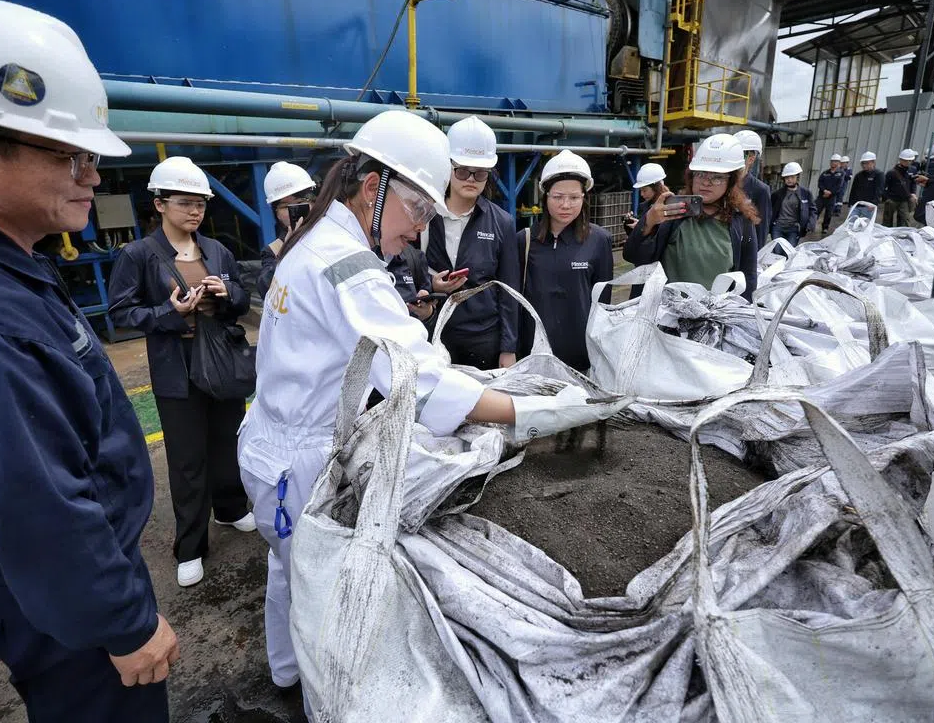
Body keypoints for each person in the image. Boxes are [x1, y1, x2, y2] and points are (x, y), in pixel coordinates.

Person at [237, 109, 613, 694]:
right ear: (372, 188)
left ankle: (286, 674)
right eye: (416, 211)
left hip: (272, 441)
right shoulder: (350, 265)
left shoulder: (312, 239)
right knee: (321, 581)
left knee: (288, 569)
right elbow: (420, 378)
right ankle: (322, 690)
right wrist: (529, 413)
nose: (418, 231)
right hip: (301, 458)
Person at [0, 0, 176, 721]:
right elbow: (40, 510)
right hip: (70, 618)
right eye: (69, 153)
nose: (92, 176)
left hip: (34, 592)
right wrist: (127, 627)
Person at [108, 157, 256, 588]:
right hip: (179, 367)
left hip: (222, 362)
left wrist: (228, 292)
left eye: (201, 205)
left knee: (229, 442)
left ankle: (230, 510)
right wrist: (167, 313)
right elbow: (121, 313)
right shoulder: (138, 255)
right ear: (159, 204)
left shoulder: (217, 250)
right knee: (188, 458)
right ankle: (190, 546)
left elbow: (242, 299)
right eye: (185, 203)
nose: (195, 212)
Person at [421, 115, 519, 370]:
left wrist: (508, 349)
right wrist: (430, 284)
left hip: (483, 340)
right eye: (462, 170)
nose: (471, 179)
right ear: (448, 166)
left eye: (480, 173)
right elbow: (403, 272)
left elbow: (509, 293)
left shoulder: (502, 223)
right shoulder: (424, 215)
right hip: (432, 335)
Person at [625, 134, 759, 299]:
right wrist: (649, 221)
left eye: (717, 177)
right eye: (701, 174)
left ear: (731, 181)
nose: (706, 182)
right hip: (669, 315)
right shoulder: (674, 212)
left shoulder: (741, 222)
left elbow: (748, 277)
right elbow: (634, 256)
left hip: (714, 318)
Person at [517, 150, 614, 372]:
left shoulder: (599, 240)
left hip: (581, 357)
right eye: (558, 197)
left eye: (574, 198)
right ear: (545, 197)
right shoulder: (524, 240)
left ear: (584, 198)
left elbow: (604, 305)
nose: (566, 205)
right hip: (534, 355)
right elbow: (514, 303)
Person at [256, 161, 316, 298]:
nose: (293, 210)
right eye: (285, 206)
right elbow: (265, 289)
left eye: (300, 203)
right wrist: (286, 252)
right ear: (276, 213)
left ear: (314, 202)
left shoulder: (334, 232)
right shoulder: (274, 250)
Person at [734, 129, 773, 249]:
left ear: (751, 158)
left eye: (738, 154)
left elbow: (761, 231)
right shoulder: (722, 182)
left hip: (743, 248)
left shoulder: (760, 190)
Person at [769, 162, 817, 246]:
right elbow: (769, 209)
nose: (789, 180)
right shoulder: (777, 194)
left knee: (789, 253)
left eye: (792, 177)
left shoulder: (805, 193)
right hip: (778, 227)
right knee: (777, 251)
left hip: (793, 229)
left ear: (797, 177)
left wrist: (810, 224)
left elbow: (812, 210)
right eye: (787, 177)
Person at [624, 161, 669, 236]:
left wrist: (644, 226)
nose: (641, 194)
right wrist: (629, 223)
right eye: (640, 190)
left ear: (656, 188)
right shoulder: (643, 207)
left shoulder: (670, 206)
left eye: (644, 190)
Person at [882, 149, 920, 228]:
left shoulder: (913, 170)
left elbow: (913, 183)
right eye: (906, 160)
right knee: (887, 221)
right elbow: (883, 186)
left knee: (905, 220)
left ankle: (902, 236)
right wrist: (886, 198)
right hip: (892, 199)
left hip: (905, 200)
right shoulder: (891, 172)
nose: (908, 162)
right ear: (900, 160)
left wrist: (913, 193)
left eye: (910, 160)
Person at [815, 153, 846, 233]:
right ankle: (810, 225)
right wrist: (824, 190)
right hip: (822, 196)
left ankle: (825, 228)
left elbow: (839, 186)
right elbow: (820, 182)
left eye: (836, 161)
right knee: (816, 211)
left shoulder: (841, 173)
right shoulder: (825, 173)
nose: (833, 163)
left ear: (839, 163)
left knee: (828, 214)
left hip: (831, 198)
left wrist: (830, 192)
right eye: (832, 161)